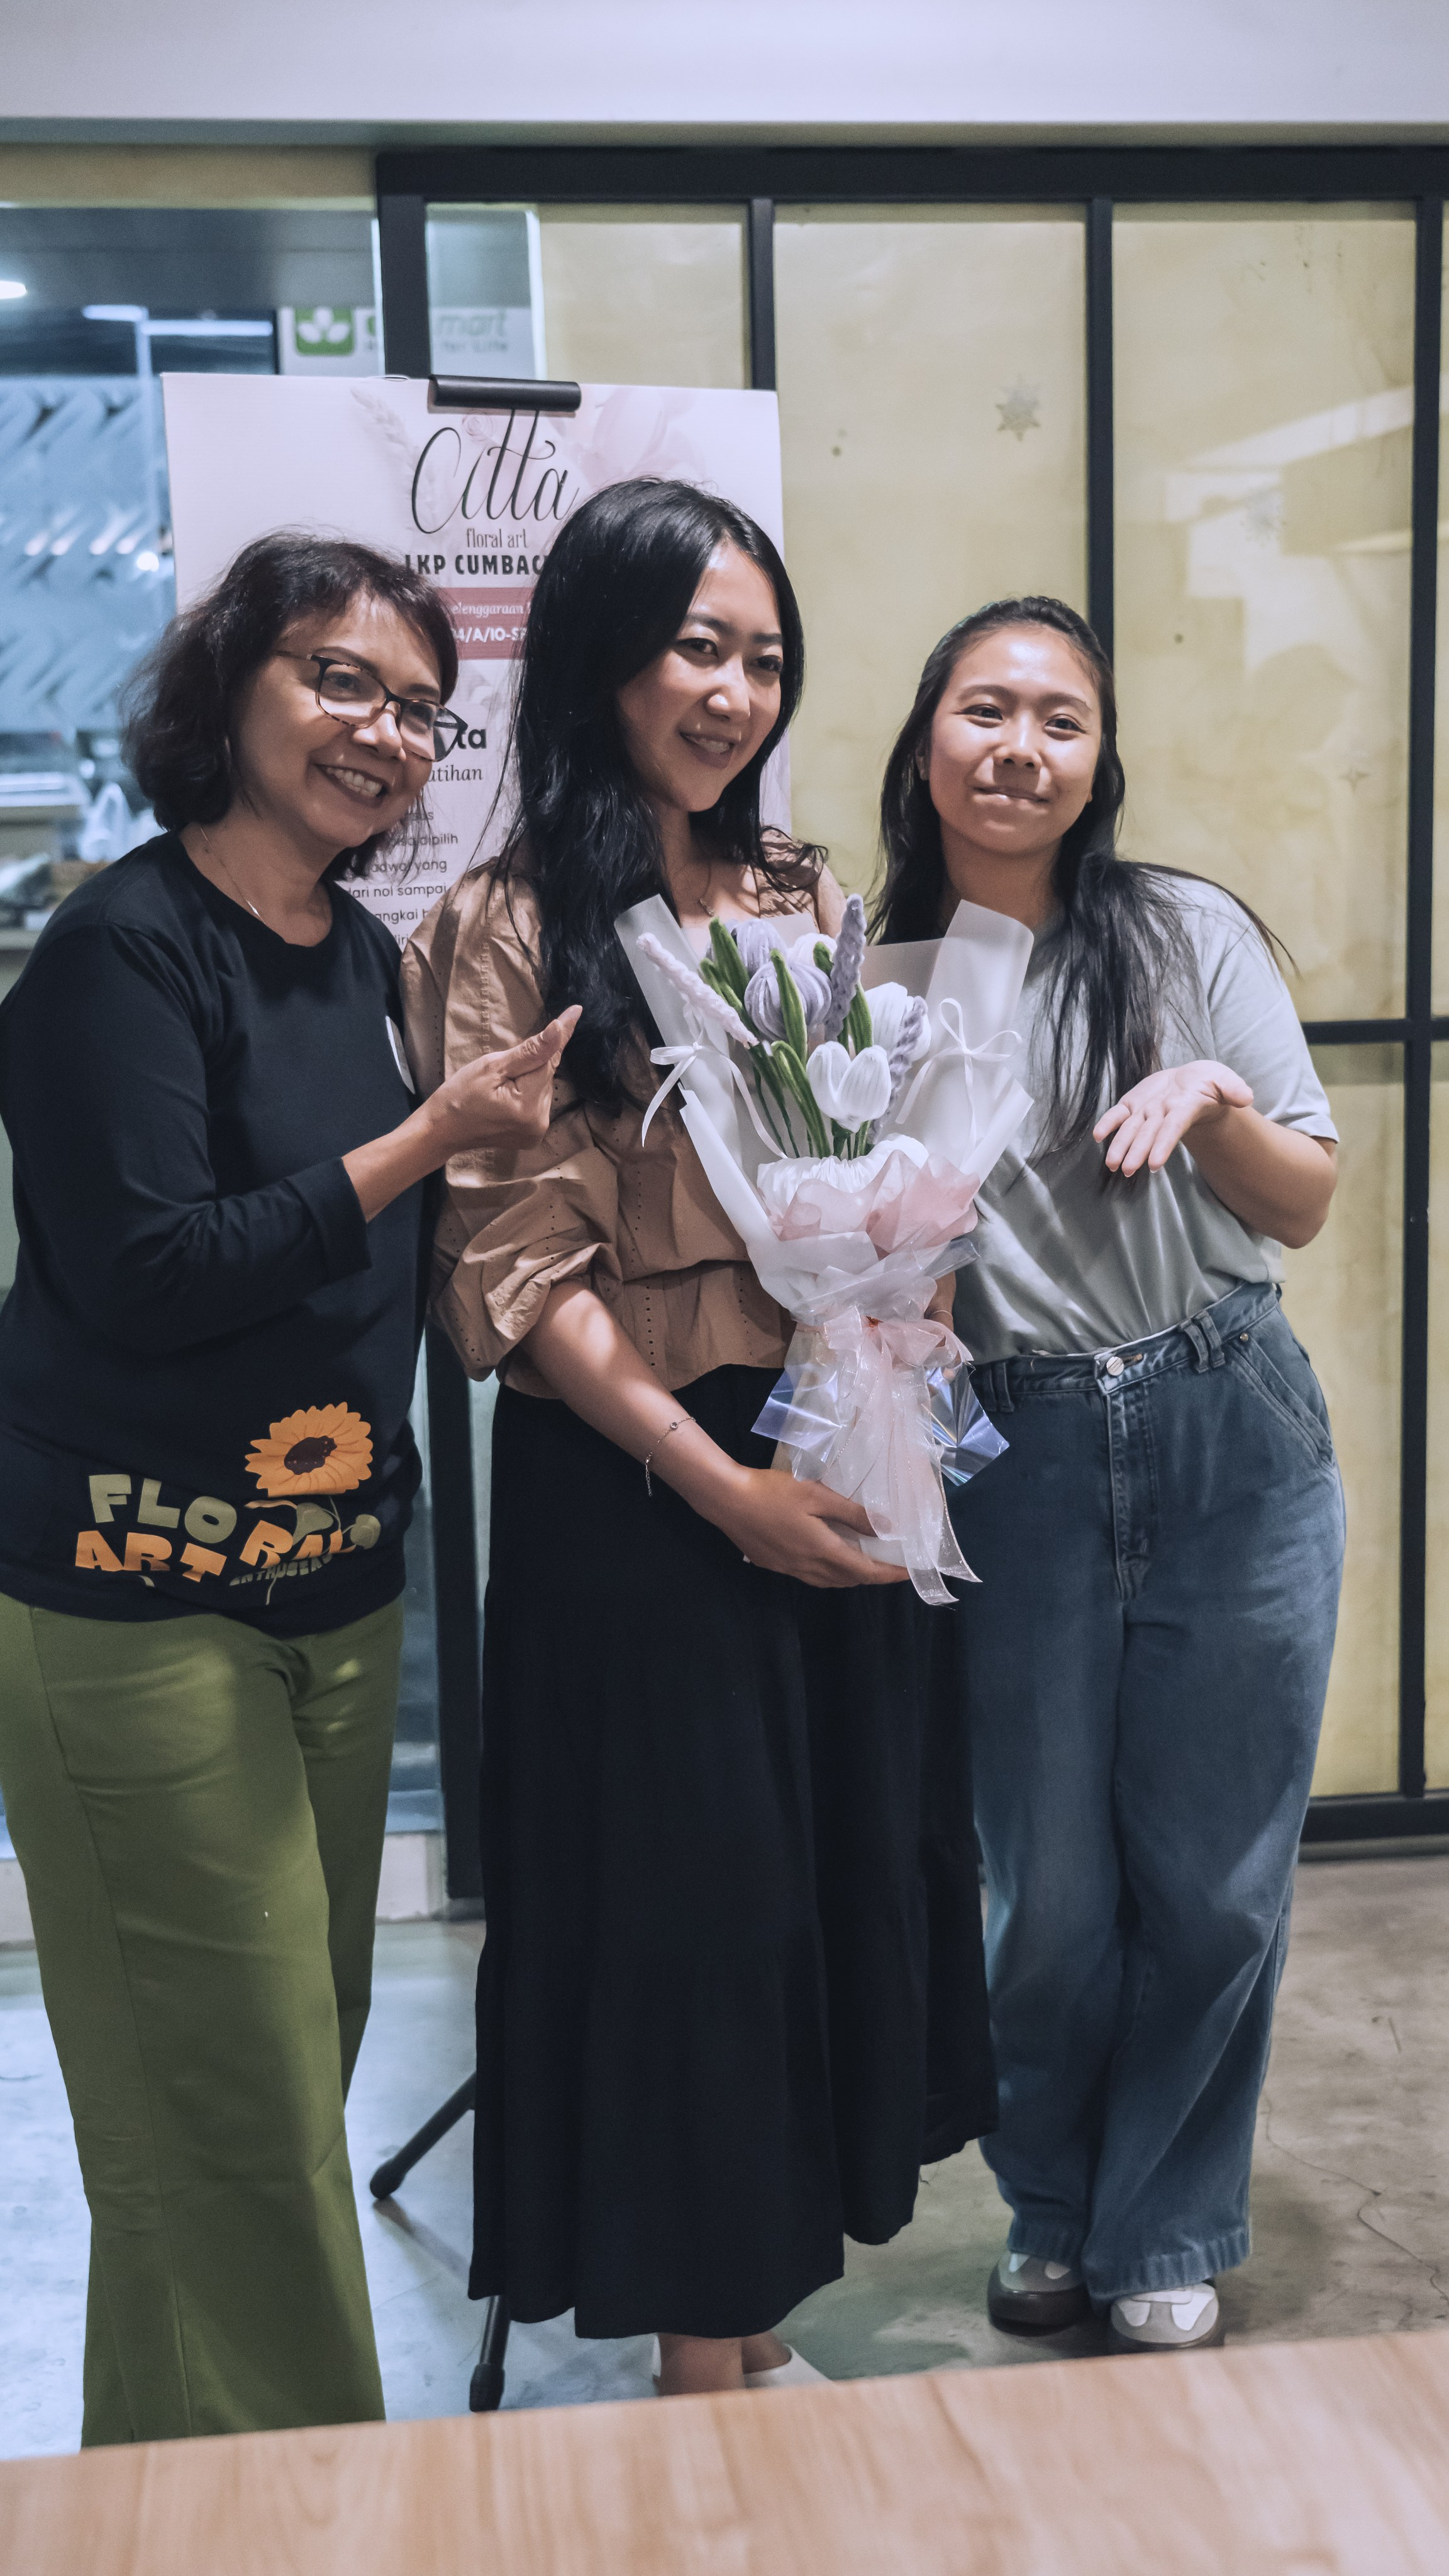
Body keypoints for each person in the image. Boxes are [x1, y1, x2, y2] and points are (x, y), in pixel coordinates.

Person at [402, 477, 996, 2399]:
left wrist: (902, 1318)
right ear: (598, 659)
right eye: (694, 649)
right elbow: (517, 1259)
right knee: (693, 1912)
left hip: (828, 1431)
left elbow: (862, 1171)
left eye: (762, 656)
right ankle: (700, 2375)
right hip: (644, 1483)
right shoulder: (502, 929)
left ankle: (749, 2313)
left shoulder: (803, 896)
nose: (732, 691)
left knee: (820, 1881)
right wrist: (714, 1478)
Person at [0, 533, 576, 2446]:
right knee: (237, 2123)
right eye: (340, 681)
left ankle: (160, 2512)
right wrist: (429, 1140)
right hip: (133, 1611)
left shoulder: (376, 964)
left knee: (248, 2099)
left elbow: (400, 1267)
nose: (384, 732)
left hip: (337, 1598)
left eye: (418, 706)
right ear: (231, 683)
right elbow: (148, 1267)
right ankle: (332, 2519)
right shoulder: (120, 947)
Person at [874, 594, 1343, 2354]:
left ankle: (1162, 2223)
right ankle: (1050, 2207)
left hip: (1233, 1428)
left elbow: (1299, 1197)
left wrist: (1209, 1092)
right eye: (986, 709)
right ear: (926, 740)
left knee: (1218, 1882)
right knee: (1049, 1899)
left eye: (1061, 719)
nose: (1021, 747)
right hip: (1019, 1450)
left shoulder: (1181, 931)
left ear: (1100, 756)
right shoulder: (866, 970)